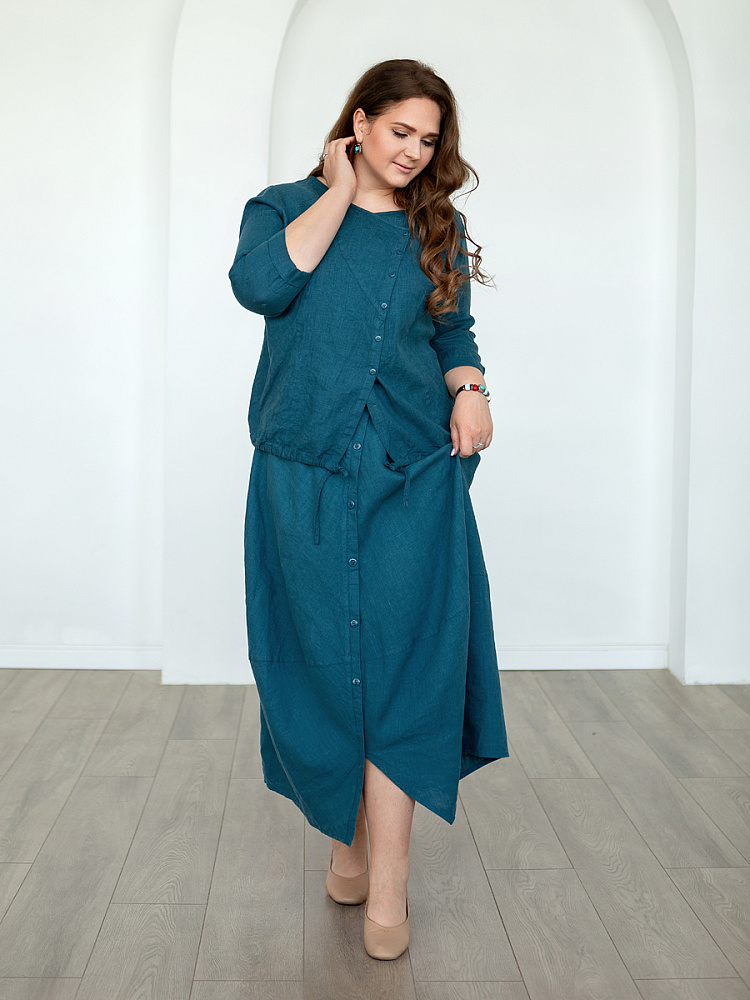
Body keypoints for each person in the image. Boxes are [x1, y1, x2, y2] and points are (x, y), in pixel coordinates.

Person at [229, 57, 508, 962]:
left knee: (403, 669)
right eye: (399, 132)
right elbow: (263, 287)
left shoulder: (438, 225)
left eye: (429, 139)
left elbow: (453, 328)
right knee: (320, 664)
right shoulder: (281, 207)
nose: (415, 152)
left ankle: (390, 881)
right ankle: (346, 839)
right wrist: (340, 189)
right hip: (302, 468)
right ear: (359, 123)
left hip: (413, 470)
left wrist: (470, 388)